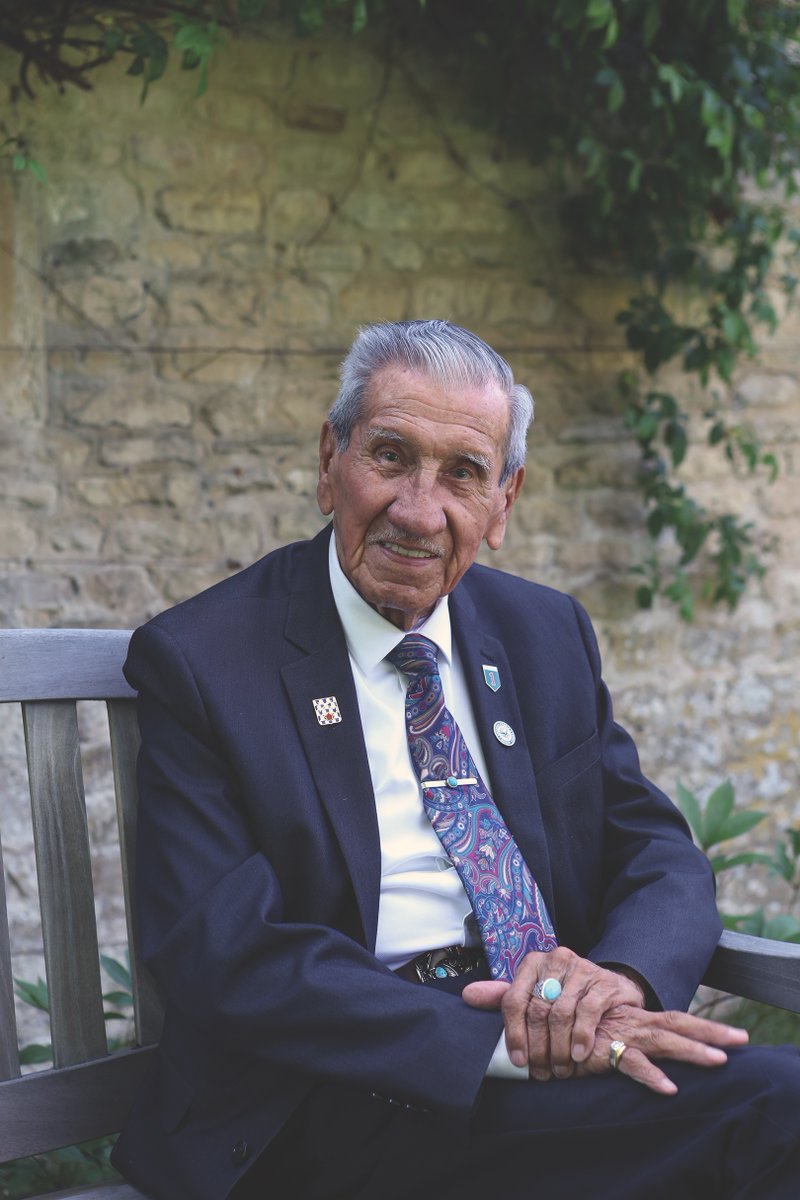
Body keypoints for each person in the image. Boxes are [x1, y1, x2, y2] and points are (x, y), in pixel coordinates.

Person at [111, 319, 800, 1200]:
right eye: (391, 457)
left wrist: (612, 984)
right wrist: (508, 1042)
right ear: (330, 461)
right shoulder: (204, 660)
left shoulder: (543, 634)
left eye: (462, 474)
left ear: (504, 502)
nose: (418, 510)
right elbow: (228, 952)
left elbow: (656, 850)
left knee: (779, 1102)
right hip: (333, 1100)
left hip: (550, 1072)